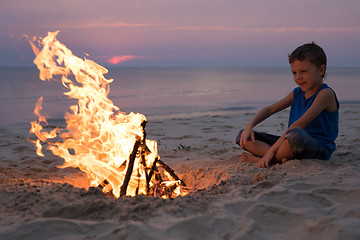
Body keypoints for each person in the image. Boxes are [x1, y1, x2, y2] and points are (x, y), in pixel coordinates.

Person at [236, 42, 339, 168]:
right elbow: (270, 109)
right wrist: (249, 125)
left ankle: (267, 158)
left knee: (295, 136)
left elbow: (299, 125)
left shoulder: (325, 94)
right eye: (294, 73)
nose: (298, 77)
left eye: (303, 71)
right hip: (290, 139)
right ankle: (276, 157)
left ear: (321, 70)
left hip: (315, 146)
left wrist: (271, 151)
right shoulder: (297, 93)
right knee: (244, 136)